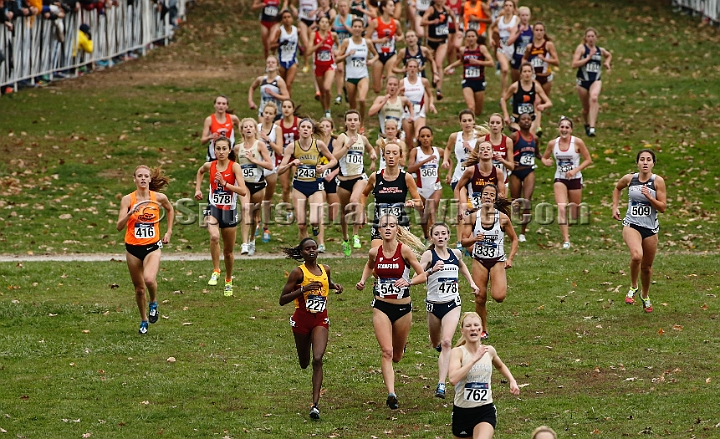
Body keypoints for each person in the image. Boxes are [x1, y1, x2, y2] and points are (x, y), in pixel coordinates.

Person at [356, 213, 428, 410]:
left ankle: (401, 347)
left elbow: (422, 275)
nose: (387, 228)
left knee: (396, 356)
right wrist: (363, 280)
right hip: (381, 306)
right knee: (386, 352)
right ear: (379, 230)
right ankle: (391, 394)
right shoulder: (374, 252)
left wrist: (409, 281)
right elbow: (369, 265)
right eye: (384, 226)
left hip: (403, 309)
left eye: (392, 225)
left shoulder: (404, 251)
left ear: (397, 229)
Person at [280, 237, 344, 420]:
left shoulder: (326, 269)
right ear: (301, 253)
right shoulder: (297, 273)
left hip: (320, 320)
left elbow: (326, 283)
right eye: (307, 249)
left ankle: (315, 405)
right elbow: (282, 300)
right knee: (304, 362)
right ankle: (304, 360)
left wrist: (335, 286)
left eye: (314, 248)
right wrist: (303, 289)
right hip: (301, 320)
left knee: (318, 358)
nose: (311, 251)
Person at [416, 222, 478, 399]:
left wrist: (472, 283)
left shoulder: (455, 253)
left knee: (446, 342)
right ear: (432, 238)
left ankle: (441, 385)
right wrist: (431, 270)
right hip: (433, 306)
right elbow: (417, 277)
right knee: (436, 342)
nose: (440, 237)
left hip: (452, 303)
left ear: (448, 236)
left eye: (444, 233)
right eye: (437, 234)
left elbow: (462, 266)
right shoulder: (429, 255)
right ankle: (438, 347)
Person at [117, 166, 175, 335]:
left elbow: (170, 209)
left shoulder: (159, 198)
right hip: (133, 249)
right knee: (139, 288)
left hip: (152, 247)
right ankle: (143, 320)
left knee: (149, 280)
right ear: (134, 179)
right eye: (139, 176)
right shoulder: (128, 200)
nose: (143, 178)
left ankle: (154, 303)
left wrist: (169, 231)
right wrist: (130, 214)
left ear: (150, 179)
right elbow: (119, 226)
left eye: (146, 176)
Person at [449, 311, 520, 439]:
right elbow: (453, 379)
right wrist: (473, 360)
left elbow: (500, 365)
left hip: (485, 410)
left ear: (481, 330)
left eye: (476, 325)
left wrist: (512, 380)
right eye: (468, 326)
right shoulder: (457, 352)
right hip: (462, 411)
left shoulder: (489, 351)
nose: (473, 329)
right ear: (462, 331)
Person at [612, 149, 666, 313]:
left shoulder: (658, 181)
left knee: (647, 267)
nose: (645, 162)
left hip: (650, 229)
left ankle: (645, 295)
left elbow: (662, 208)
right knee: (637, 256)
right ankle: (634, 286)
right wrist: (615, 207)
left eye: (648, 159)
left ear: (653, 163)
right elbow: (617, 188)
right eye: (642, 159)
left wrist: (650, 197)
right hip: (631, 225)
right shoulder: (630, 179)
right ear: (637, 162)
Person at [460, 183, 517, 339]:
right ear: (481, 197)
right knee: (480, 297)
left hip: (497, 260)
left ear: (495, 198)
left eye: (492, 195)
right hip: (479, 260)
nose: (488, 197)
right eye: (486, 194)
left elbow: (514, 239)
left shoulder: (503, 219)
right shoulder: (472, 217)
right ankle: (482, 329)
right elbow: (463, 241)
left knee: (499, 296)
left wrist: (510, 258)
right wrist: (473, 239)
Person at [194, 137, 249, 296]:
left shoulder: (234, 167)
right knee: (214, 236)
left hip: (229, 211)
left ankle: (228, 279)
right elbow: (200, 172)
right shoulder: (210, 165)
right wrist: (198, 189)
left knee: (228, 252)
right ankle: (216, 270)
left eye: (224, 148)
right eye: (218, 148)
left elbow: (243, 191)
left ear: (230, 150)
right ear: (214, 150)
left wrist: (225, 184)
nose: (221, 152)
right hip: (213, 208)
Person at [277, 118, 338, 239]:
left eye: (308, 127)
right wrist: (291, 164)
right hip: (299, 186)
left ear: (312, 131)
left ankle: (315, 227)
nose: (305, 129)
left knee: (315, 220)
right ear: (298, 130)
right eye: (303, 127)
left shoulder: (318, 144)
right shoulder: (292, 146)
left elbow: (334, 160)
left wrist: (324, 167)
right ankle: (305, 247)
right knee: (301, 224)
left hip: (315, 185)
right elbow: (279, 170)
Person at [540, 116, 592, 249]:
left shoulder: (577, 142)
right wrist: (546, 162)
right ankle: (566, 240)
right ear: (558, 129)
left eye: (567, 127)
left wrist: (575, 170)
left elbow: (588, 159)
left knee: (574, 212)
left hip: (575, 179)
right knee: (562, 208)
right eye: (562, 127)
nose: (564, 129)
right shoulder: (553, 144)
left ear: (571, 130)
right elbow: (544, 157)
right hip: (560, 179)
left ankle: (569, 223)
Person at [363, 140, 423, 248]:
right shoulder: (375, 177)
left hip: (400, 226)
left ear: (400, 156)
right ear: (383, 156)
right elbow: (364, 194)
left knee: (401, 259)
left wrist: (412, 204)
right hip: (380, 224)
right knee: (377, 256)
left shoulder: (406, 177)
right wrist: (361, 211)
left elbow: (420, 204)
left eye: (395, 153)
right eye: (388, 153)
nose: (391, 156)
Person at [333, 110, 377, 255]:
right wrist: (346, 146)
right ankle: (345, 239)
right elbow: (334, 157)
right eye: (349, 119)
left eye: (355, 119)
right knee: (345, 213)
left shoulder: (362, 139)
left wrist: (372, 154)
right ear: (345, 122)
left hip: (360, 177)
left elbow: (370, 148)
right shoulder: (342, 137)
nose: (352, 122)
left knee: (354, 200)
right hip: (343, 180)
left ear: (359, 122)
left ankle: (356, 235)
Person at [234, 119, 275, 256]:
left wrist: (254, 160)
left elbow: (270, 166)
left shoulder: (260, 145)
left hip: (258, 184)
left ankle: (252, 240)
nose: (248, 129)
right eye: (245, 127)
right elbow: (232, 165)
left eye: (251, 126)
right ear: (242, 130)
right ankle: (244, 244)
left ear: (255, 130)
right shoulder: (237, 148)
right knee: (246, 209)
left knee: (254, 216)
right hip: (243, 184)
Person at [443, 109, 477, 249]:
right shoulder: (455, 136)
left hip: (475, 177)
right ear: (460, 122)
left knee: (474, 209)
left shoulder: (479, 136)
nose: (467, 123)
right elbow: (447, 148)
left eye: (470, 120)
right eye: (464, 121)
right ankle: (460, 242)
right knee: (462, 208)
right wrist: (445, 160)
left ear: (474, 121)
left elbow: (485, 154)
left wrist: (471, 149)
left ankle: (472, 239)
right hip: (459, 177)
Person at [335, 18, 379, 129]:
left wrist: (372, 61)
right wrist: (347, 55)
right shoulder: (347, 42)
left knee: (362, 99)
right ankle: (352, 125)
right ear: (352, 27)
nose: (357, 29)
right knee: (353, 105)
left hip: (363, 76)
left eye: (360, 27)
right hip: (350, 77)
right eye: (355, 26)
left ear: (363, 29)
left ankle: (362, 123)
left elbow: (376, 55)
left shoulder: (367, 42)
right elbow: (337, 59)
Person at [442, 29, 494, 116]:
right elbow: (461, 61)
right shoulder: (464, 50)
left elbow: (491, 63)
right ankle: (471, 127)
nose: (471, 38)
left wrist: (478, 62)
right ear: (466, 38)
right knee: (471, 107)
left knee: (478, 111)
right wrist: (450, 66)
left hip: (479, 81)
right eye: (468, 36)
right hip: (467, 81)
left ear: (476, 37)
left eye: (473, 36)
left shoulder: (481, 48)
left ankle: (474, 124)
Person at [571, 27, 611, 137]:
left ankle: (592, 128)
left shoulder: (600, 50)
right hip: (582, 81)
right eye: (588, 36)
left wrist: (607, 63)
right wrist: (588, 58)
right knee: (586, 109)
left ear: (596, 38)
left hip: (595, 80)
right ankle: (586, 123)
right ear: (585, 38)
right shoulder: (582, 48)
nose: (591, 38)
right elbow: (574, 64)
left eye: (592, 36)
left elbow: (608, 55)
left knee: (594, 98)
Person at [509, 112, 541, 242]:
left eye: (528, 119)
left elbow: (537, 154)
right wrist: (510, 160)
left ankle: (522, 233)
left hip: (529, 171)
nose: (526, 121)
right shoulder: (514, 136)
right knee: (515, 202)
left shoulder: (535, 138)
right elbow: (506, 150)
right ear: (519, 122)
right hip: (516, 172)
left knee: (527, 201)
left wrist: (544, 159)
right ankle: (510, 230)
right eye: (523, 119)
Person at [522, 21, 558, 138]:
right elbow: (524, 59)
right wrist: (526, 68)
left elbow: (556, 61)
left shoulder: (548, 45)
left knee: (543, 102)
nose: (539, 32)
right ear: (533, 32)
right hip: (534, 78)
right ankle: (537, 127)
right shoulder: (529, 46)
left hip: (546, 78)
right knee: (536, 101)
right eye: (536, 30)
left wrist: (545, 60)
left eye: (541, 30)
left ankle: (536, 123)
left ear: (544, 32)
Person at [454, 138, 504, 220]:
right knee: (467, 233)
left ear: (492, 154)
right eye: (482, 149)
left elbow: (502, 194)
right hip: (472, 210)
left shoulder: (498, 172)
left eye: (488, 149)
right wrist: (459, 208)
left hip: (489, 211)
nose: (485, 151)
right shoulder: (471, 171)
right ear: (478, 154)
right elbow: (457, 188)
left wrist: (489, 197)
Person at [407, 126, 443, 241]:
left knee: (431, 211)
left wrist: (449, 171)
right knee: (423, 217)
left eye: (428, 136)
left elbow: (449, 160)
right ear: (419, 138)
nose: (425, 138)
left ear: (432, 137)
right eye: (422, 136)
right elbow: (410, 169)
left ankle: (434, 239)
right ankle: (427, 237)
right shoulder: (415, 151)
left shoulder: (438, 151)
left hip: (435, 187)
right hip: (420, 189)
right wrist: (425, 161)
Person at [500, 62, 552, 134]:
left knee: (530, 140)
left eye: (529, 71)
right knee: (519, 140)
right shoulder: (515, 86)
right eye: (524, 71)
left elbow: (549, 102)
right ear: (521, 73)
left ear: (532, 73)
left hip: (530, 119)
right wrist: (506, 115)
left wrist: (543, 106)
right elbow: (503, 100)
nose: (527, 74)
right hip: (517, 120)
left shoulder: (536, 86)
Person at [258, 102, 283, 243]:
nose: (267, 115)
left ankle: (266, 228)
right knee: (255, 201)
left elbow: (279, 150)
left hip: (271, 168)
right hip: (257, 169)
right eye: (265, 113)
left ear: (274, 115)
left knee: (267, 200)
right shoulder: (256, 128)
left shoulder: (276, 129)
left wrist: (268, 140)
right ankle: (255, 223)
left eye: (270, 113)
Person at [316, 117, 341, 253]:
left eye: (327, 126)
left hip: (333, 177)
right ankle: (321, 242)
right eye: (323, 126)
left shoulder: (336, 142)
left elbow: (341, 162)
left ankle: (330, 227)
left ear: (332, 129)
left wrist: (333, 173)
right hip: (319, 179)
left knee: (333, 214)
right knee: (320, 209)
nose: (325, 128)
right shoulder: (315, 143)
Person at [366, 0, 403, 94]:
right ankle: (381, 78)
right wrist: (379, 41)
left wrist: (399, 38)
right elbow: (366, 39)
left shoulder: (395, 23)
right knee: (376, 89)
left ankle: (390, 103)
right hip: (378, 55)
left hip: (391, 54)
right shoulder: (375, 22)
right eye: (390, 6)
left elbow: (401, 35)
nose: (393, 8)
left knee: (391, 82)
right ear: (384, 8)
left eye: (393, 5)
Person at [421, 0, 455, 100]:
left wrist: (456, 31)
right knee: (432, 62)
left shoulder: (447, 9)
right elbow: (422, 22)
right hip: (431, 42)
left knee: (439, 63)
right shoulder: (431, 10)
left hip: (442, 42)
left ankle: (439, 90)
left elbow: (454, 18)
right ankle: (434, 77)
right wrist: (432, 22)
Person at [307, 15, 337, 119]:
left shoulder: (333, 35)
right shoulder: (314, 35)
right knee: (322, 92)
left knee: (327, 88)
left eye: (326, 22)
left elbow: (339, 46)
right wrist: (320, 43)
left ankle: (328, 110)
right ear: (319, 24)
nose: (324, 24)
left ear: (329, 25)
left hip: (330, 65)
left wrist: (338, 52)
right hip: (318, 66)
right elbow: (308, 51)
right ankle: (325, 109)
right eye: (322, 22)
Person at [400, 59, 436, 143]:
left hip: (419, 113)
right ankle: (411, 154)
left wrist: (431, 104)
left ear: (418, 69)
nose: (412, 69)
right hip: (406, 114)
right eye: (410, 67)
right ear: (406, 68)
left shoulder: (423, 81)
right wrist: (400, 93)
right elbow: (396, 97)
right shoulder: (402, 82)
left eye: (414, 67)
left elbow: (430, 95)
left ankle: (420, 155)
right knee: (409, 141)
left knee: (419, 137)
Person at [488, 0, 517, 99]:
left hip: (513, 48)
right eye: (506, 5)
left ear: (513, 8)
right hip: (502, 48)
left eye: (510, 5)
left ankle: (514, 91)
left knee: (515, 73)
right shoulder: (499, 19)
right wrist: (491, 39)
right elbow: (490, 28)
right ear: (504, 7)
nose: (508, 7)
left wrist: (514, 31)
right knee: (504, 70)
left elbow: (522, 29)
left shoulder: (516, 19)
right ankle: (503, 93)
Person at [275, 99, 301, 207]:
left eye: (289, 107)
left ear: (293, 109)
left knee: (297, 184)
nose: (286, 109)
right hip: (283, 156)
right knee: (285, 187)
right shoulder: (277, 124)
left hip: (296, 155)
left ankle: (298, 207)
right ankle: (287, 208)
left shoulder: (299, 122)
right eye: (284, 106)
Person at [201, 95, 240, 162]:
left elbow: (244, 131)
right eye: (218, 103)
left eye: (223, 103)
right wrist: (210, 137)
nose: (221, 106)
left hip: (229, 153)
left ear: (227, 106)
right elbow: (202, 141)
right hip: (214, 153)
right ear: (215, 105)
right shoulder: (209, 120)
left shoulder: (233, 118)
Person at [272, 10, 300, 94]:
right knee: (282, 85)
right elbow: (271, 46)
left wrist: (301, 49)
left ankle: (288, 104)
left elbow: (298, 43)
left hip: (292, 60)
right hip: (281, 61)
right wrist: (280, 44)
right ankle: (281, 104)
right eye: (284, 17)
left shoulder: (296, 30)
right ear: (282, 20)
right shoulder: (279, 31)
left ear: (292, 19)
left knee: (288, 84)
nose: (287, 19)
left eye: (289, 17)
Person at [482, 113, 514, 186]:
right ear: (489, 125)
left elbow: (512, 166)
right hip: (485, 181)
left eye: (498, 123)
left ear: (502, 125)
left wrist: (502, 161)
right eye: (492, 123)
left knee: (502, 197)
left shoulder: (508, 141)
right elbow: (474, 160)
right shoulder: (482, 140)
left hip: (502, 181)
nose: (495, 125)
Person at [332, 0, 354, 105]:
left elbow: (356, 33)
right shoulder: (334, 19)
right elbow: (330, 34)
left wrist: (345, 25)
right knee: (340, 70)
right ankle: (339, 95)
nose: (342, 8)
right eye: (340, 6)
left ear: (348, 7)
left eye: (344, 6)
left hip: (350, 48)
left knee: (349, 72)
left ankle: (347, 90)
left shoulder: (352, 18)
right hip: (339, 48)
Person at [508, 6, 532, 83]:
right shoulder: (515, 28)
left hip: (528, 58)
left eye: (526, 15)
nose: (525, 17)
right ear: (519, 16)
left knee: (528, 82)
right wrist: (518, 32)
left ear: (529, 16)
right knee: (516, 82)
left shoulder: (532, 29)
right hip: (517, 57)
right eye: (523, 15)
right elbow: (509, 42)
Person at [294, 0, 318, 74]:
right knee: (305, 43)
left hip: (313, 20)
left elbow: (324, 5)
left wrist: (315, 11)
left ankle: (316, 63)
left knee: (314, 43)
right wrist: (294, 9)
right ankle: (306, 64)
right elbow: (292, 4)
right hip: (303, 19)